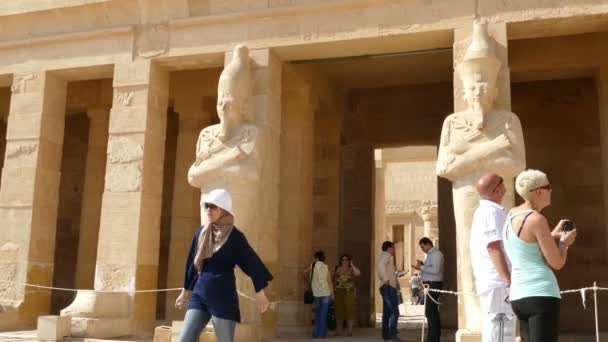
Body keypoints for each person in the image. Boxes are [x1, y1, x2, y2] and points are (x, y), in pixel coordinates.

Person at [175, 189, 273, 342]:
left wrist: (260, 294)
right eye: (207, 206)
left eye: (213, 206)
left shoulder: (235, 237)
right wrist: (185, 292)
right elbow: (192, 264)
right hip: (200, 294)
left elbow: (252, 262)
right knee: (185, 339)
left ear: (224, 209)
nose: (208, 210)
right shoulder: (201, 233)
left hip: (223, 297)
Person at [503, 170, 577, 342]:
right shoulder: (537, 219)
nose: (551, 191)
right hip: (540, 294)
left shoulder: (511, 214)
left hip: (519, 295)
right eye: (548, 187)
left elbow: (526, 246)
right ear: (538, 192)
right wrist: (564, 243)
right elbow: (557, 262)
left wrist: (552, 235)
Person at [471, 172, 515, 342]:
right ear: (497, 191)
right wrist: (508, 281)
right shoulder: (491, 212)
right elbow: (494, 247)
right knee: (501, 331)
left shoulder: (486, 211)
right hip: (497, 282)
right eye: (502, 182)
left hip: (494, 282)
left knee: (497, 329)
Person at [412, 237, 444, 342]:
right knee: (431, 312)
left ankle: (433, 338)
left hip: (433, 285)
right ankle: (433, 336)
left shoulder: (436, 254)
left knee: (431, 312)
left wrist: (421, 267)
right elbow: (430, 268)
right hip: (429, 285)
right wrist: (423, 265)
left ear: (428, 244)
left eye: (422, 246)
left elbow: (435, 270)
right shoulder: (431, 255)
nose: (422, 249)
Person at [304, 251, 334, 339]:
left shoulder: (312, 266)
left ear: (316, 257)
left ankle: (317, 334)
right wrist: (332, 294)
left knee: (317, 314)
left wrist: (309, 282)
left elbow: (304, 273)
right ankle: (322, 334)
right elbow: (329, 282)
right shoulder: (326, 267)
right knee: (323, 314)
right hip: (326, 293)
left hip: (316, 293)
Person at [378, 241, 401, 342]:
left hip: (385, 286)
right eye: (393, 248)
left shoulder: (382, 255)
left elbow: (383, 266)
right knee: (394, 312)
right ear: (389, 248)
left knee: (387, 313)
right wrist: (385, 278)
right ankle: (392, 335)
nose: (394, 250)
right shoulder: (387, 255)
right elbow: (381, 265)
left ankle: (386, 335)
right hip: (389, 287)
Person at [333, 253, 361, 336]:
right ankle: (339, 330)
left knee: (350, 311)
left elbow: (358, 273)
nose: (344, 261)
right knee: (339, 311)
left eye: (346, 260)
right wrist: (335, 273)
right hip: (338, 292)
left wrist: (352, 265)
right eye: (343, 260)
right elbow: (330, 277)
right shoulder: (337, 268)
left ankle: (350, 331)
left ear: (349, 261)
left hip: (349, 293)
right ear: (340, 261)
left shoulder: (351, 269)